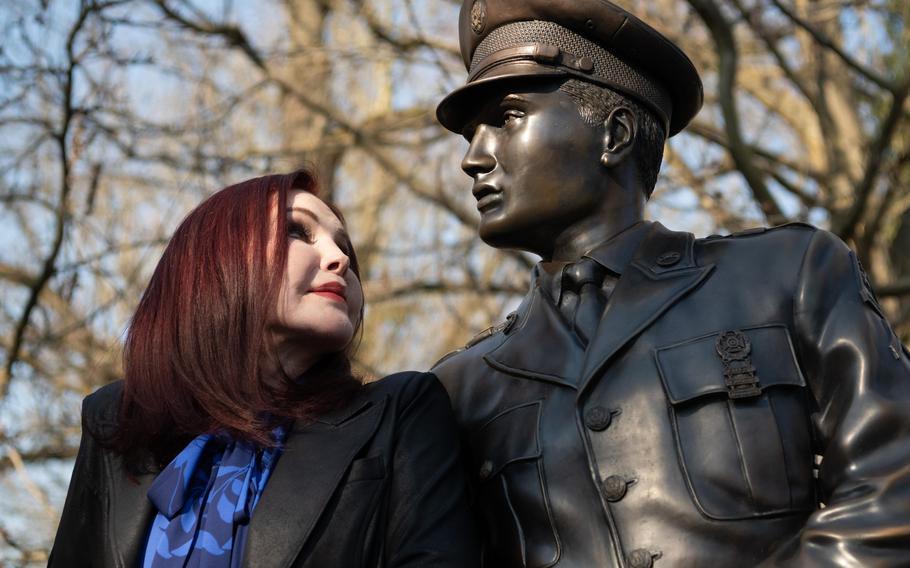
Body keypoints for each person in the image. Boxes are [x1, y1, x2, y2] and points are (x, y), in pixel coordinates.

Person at [430, 0, 910, 566]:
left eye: (506, 117)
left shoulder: (788, 275)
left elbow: (893, 488)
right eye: (469, 134)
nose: (474, 158)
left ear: (615, 133)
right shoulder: (460, 388)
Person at [50, 170, 478, 567]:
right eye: (298, 231)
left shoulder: (401, 412)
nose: (339, 259)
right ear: (216, 261)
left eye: (345, 246)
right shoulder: (117, 421)